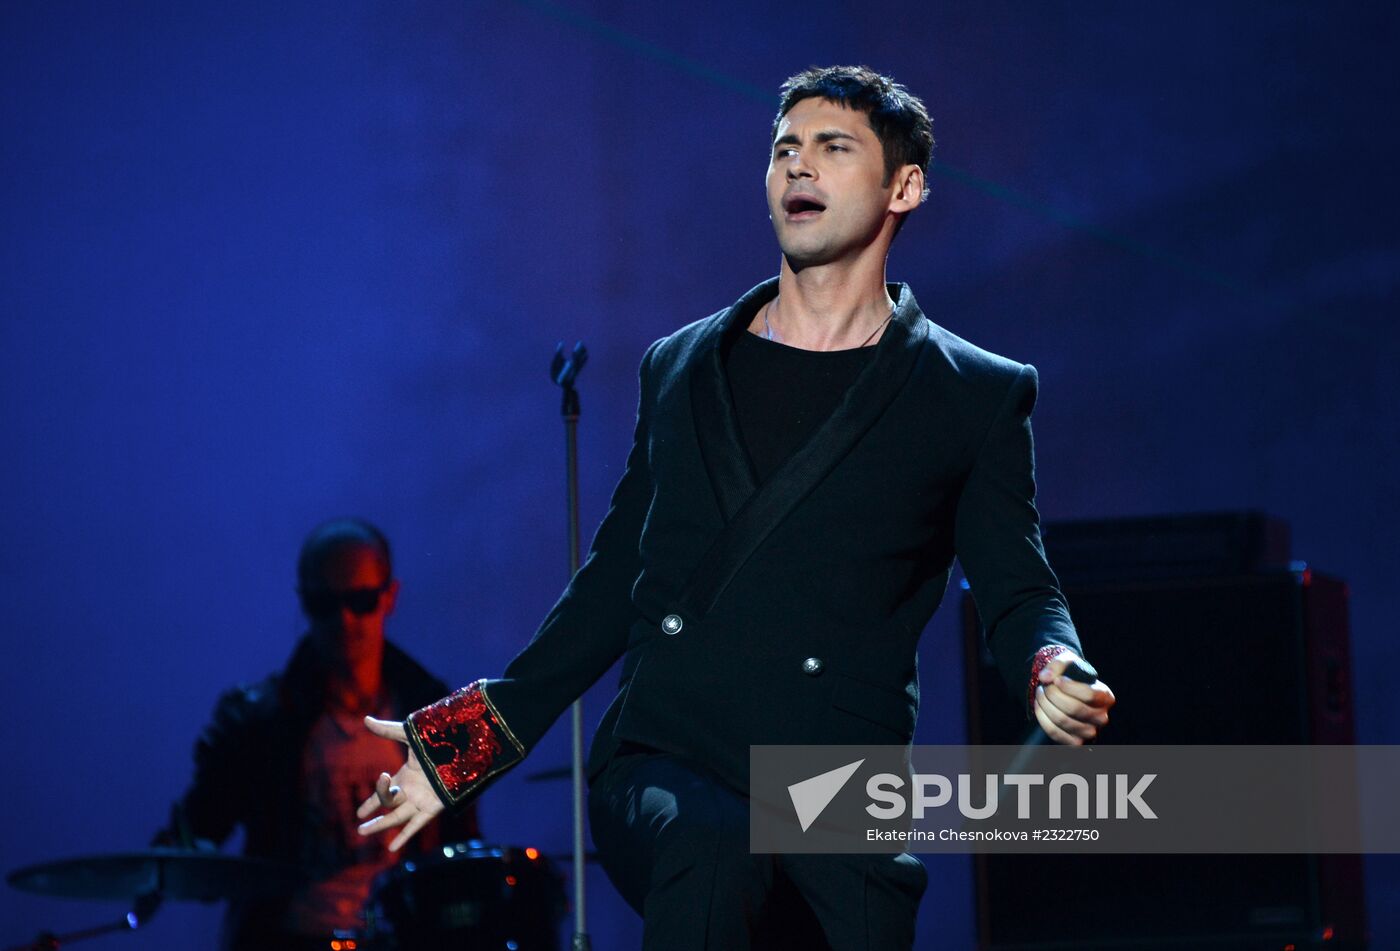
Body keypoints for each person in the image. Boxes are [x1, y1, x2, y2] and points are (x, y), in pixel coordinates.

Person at [355, 66, 1116, 948]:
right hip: (671, 759)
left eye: (834, 148)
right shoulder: (682, 367)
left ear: (904, 187)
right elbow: (614, 581)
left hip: (834, 790)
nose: (800, 166)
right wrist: (461, 749)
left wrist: (1052, 661)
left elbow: (1020, 587)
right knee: (715, 851)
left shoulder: (971, 394)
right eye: (784, 148)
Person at [158, 517, 479, 950]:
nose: (344, 620)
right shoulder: (260, 722)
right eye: (324, 603)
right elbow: (193, 834)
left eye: (360, 600)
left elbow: (462, 853)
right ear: (304, 603)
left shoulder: (433, 715)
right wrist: (189, 857)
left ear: (390, 597)